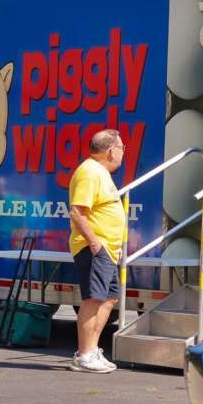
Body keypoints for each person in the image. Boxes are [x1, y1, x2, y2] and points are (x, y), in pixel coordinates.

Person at [67, 129, 127, 374]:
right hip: (95, 248)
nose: (123, 153)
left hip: (107, 250)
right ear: (111, 150)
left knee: (109, 297)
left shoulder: (100, 173)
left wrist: (114, 246)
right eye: (122, 148)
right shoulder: (89, 172)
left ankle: (92, 350)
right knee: (93, 299)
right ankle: (84, 355)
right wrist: (95, 243)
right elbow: (77, 212)